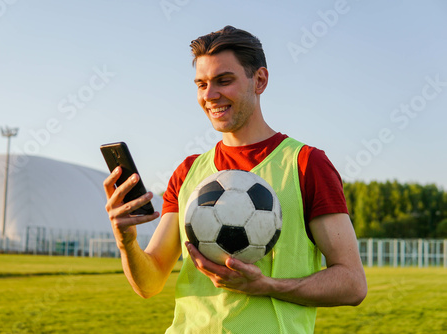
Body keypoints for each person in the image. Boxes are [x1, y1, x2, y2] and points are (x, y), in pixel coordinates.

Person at [104, 25, 367, 333]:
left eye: (223, 81)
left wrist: (268, 285)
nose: (209, 95)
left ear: (260, 80)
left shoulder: (306, 164)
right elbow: (149, 283)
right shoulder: (189, 171)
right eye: (201, 84)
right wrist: (126, 241)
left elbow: (352, 283)